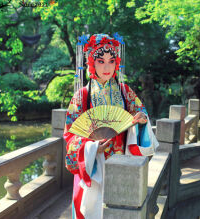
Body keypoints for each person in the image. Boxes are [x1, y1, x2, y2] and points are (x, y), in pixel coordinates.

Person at [63, 33, 159, 219]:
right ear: (91, 63)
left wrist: (139, 122)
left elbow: (142, 116)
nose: (107, 67)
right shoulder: (82, 96)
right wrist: (91, 147)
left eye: (111, 61)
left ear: (117, 63)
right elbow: (70, 136)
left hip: (121, 162)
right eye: (101, 61)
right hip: (93, 164)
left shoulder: (125, 92)